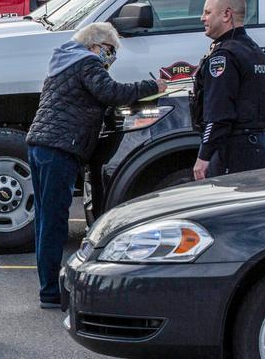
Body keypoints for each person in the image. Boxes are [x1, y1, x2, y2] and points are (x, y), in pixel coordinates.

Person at [27, 23, 163, 310]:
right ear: (96, 45)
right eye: (110, 51)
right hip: (60, 148)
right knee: (53, 222)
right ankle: (50, 292)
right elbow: (110, 92)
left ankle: (47, 286)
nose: (111, 58)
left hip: (40, 145)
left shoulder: (63, 62)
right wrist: (153, 86)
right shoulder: (87, 62)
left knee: (44, 220)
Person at [192, 0, 265, 181]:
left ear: (227, 14)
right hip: (260, 142)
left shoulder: (224, 56)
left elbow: (219, 112)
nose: (202, 18)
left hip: (236, 148)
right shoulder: (254, 51)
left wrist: (204, 156)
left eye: (208, 12)